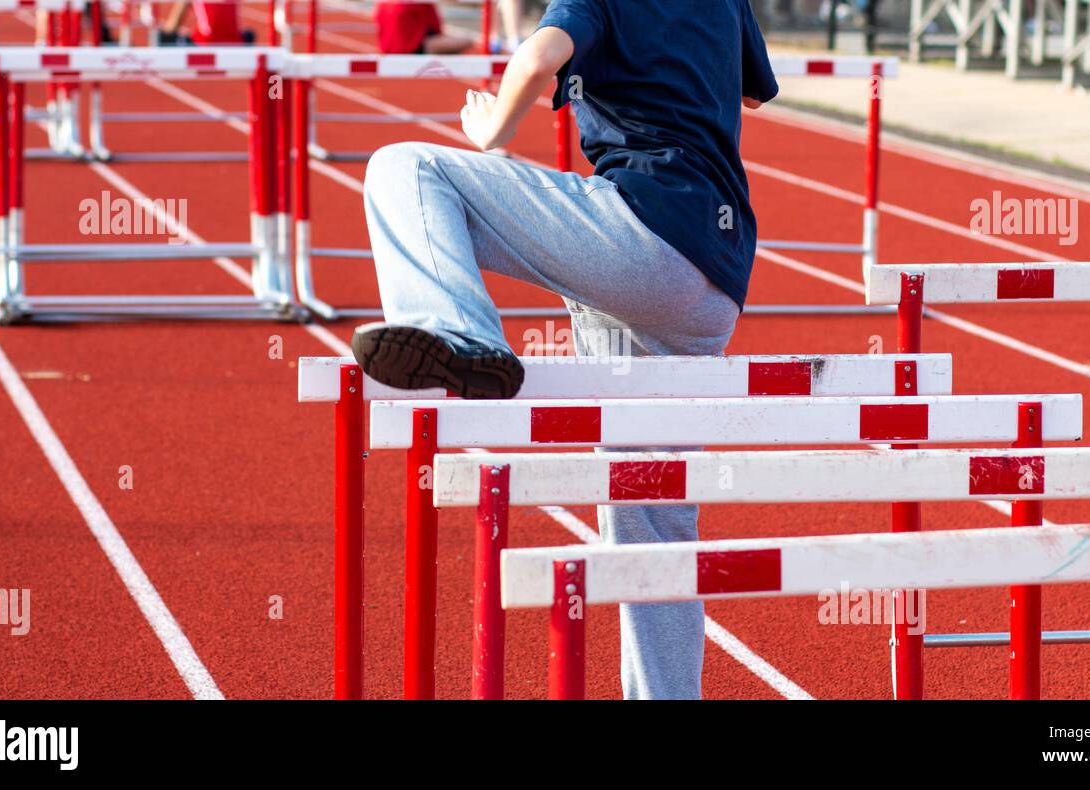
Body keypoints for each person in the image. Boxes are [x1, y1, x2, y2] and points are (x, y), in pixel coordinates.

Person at [352, 0, 778, 698]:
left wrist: (496, 126)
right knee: (652, 516)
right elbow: (749, 93)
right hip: (717, 282)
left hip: (644, 239)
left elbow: (539, 58)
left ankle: (459, 334)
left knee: (408, 170)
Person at [374, 1, 474, 55]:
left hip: (387, 47)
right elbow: (435, 27)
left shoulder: (383, 4)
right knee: (467, 41)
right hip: (417, 48)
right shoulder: (417, 4)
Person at [159, 0, 255, 46]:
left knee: (163, 37)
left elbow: (173, 25)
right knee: (250, 34)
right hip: (235, 40)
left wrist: (169, 32)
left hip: (204, 41)